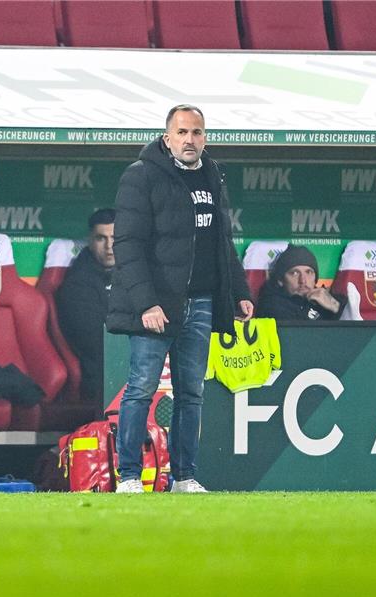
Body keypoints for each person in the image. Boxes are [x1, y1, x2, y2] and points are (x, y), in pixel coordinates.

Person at [107, 104, 253, 494]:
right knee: (140, 388)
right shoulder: (141, 176)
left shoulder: (213, 175)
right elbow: (128, 246)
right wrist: (145, 304)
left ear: (205, 137)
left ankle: (185, 477)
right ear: (167, 137)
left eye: (198, 133)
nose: (191, 140)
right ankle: (130, 477)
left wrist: (239, 292)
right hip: (158, 304)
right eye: (183, 132)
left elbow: (223, 242)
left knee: (192, 392)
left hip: (202, 301)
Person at [55, 208, 115, 404]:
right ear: (90, 240)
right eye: (101, 238)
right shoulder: (76, 284)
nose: (109, 246)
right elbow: (96, 343)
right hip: (102, 376)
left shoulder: (135, 274)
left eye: (115, 237)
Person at [256, 245, 346, 321]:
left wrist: (335, 307)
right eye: (294, 273)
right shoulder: (271, 305)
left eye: (309, 272)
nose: (303, 280)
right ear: (280, 280)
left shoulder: (326, 299)